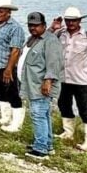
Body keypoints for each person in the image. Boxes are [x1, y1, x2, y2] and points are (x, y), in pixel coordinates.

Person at [50, 6, 87, 152]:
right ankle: (68, 132)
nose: (70, 23)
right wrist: (53, 28)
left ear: (79, 20)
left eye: (73, 20)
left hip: (81, 80)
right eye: (68, 20)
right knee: (63, 105)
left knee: (84, 109)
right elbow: (45, 41)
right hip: (62, 78)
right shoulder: (59, 34)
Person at [20, 12, 63, 159]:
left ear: (43, 26)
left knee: (38, 115)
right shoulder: (32, 39)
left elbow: (54, 63)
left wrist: (48, 81)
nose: (33, 28)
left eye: (36, 25)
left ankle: (40, 148)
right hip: (32, 83)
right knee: (43, 115)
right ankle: (47, 144)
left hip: (41, 85)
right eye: (30, 25)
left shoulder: (50, 41)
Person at [0, 0, 26, 132]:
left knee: (13, 93)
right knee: (0, 92)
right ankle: (5, 117)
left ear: (8, 13)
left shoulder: (15, 28)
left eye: (1, 11)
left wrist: (9, 69)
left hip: (5, 66)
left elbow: (15, 50)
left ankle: (17, 123)